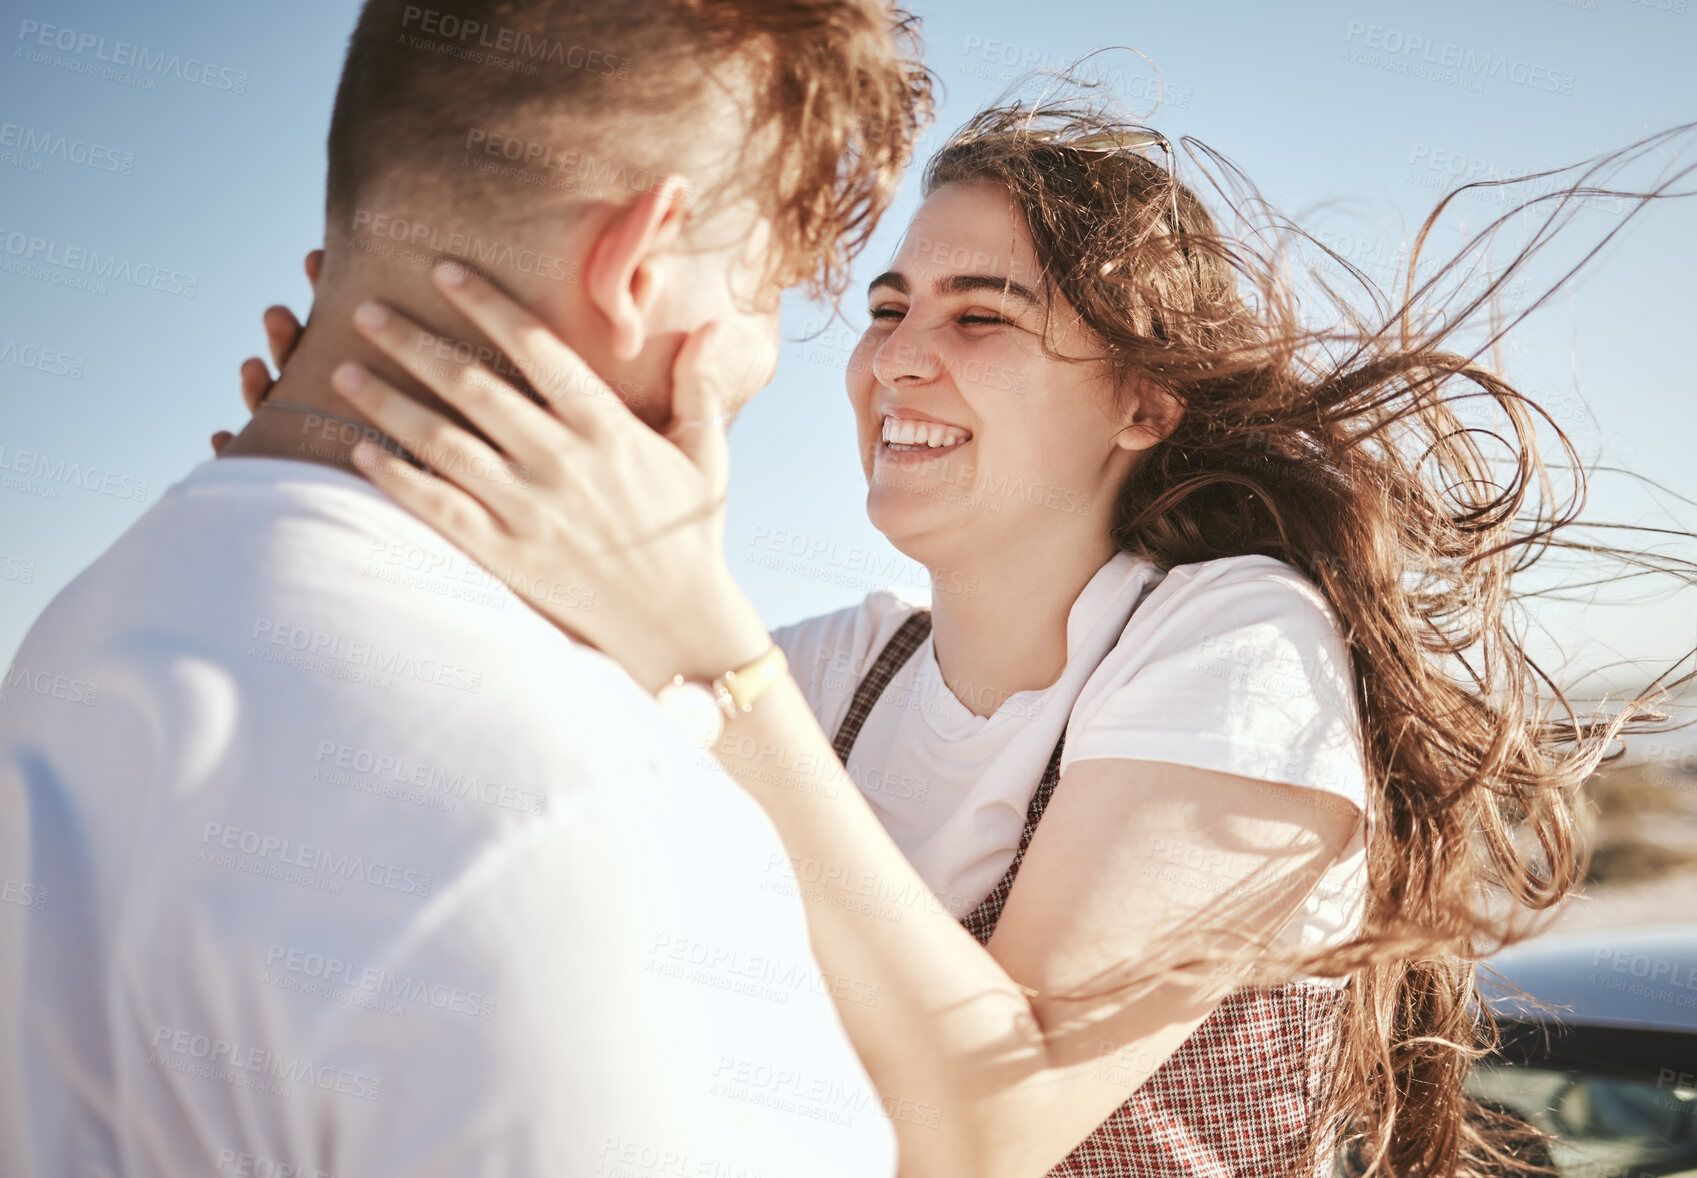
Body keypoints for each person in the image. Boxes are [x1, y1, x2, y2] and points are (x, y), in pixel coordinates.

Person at [225, 104, 1691, 1177]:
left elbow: (982, 1127)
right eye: (887, 306)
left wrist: (708, 651)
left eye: (982, 315)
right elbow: (448, 761)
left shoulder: (1233, 637)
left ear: (1143, 401)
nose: (896, 356)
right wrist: (327, 509)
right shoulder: (831, 671)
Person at [0, 1, 932, 1174]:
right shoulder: (587, 822)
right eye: (772, 291)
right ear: (641, 267)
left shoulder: (83, 629)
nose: (762, 357)